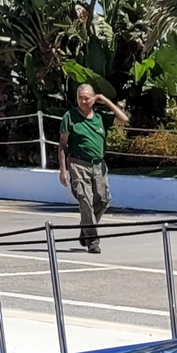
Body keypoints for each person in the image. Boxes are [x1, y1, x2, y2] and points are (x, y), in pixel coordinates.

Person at [57, 82, 127, 252]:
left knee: (103, 200)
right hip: (78, 163)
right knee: (85, 200)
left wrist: (106, 101)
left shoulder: (100, 117)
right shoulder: (70, 117)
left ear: (93, 99)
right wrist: (63, 170)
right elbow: (62, 144)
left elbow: (124, 119)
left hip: (98, 165)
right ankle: (92, 241)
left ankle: (86, 228)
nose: (84, 101)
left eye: (87, 98)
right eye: (80, 98)